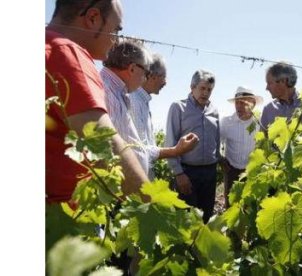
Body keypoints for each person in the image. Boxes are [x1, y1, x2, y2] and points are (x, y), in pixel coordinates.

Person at [46, 0, 150, 204]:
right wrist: (158, 210)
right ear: (93, 18)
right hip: (67, 221)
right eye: (116, 29)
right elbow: (104, 145)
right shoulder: (66, 52)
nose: (116, 40)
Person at [101, 40, 199, 178]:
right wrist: (175, 151)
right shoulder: (123, 97)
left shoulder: (123, 94)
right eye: (146, 72)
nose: (145, 78)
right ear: (132, 69)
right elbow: (130, 150)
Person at [165, 70, 220, 223]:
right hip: (187, 172)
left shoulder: (214, 111)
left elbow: (216, 139)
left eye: (209, 89)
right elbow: (170, 142)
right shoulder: (178, 108)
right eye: (202, 88)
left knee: (206, 217)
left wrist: (219, 160)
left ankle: (202, 247)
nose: (206, 93)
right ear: (192, 87)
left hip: (209, 172)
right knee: (187, 219)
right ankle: (187, 247)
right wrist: (179, 173)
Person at [220, 86, 263, 208]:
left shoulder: (260, 122)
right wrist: (220, 159)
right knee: (232, 206)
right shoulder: (227, 122)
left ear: (253, 104)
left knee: (251, 207)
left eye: (243, 103)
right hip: (231, 171)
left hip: (253, 172)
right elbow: (216, 142)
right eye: (237, 103)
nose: (239, 106)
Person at [129, 53, 168, 180]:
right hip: (137, 175)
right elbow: (140, 150)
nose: (165, 82)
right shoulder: (134, 101)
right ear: (151, 76)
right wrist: (176, 151)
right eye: (164, 76)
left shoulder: (143, 101)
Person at [260, 62, 301, 129]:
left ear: (283, 81)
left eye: (269, 83)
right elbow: (262, 139)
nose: (267, 88)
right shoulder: (268, 110)